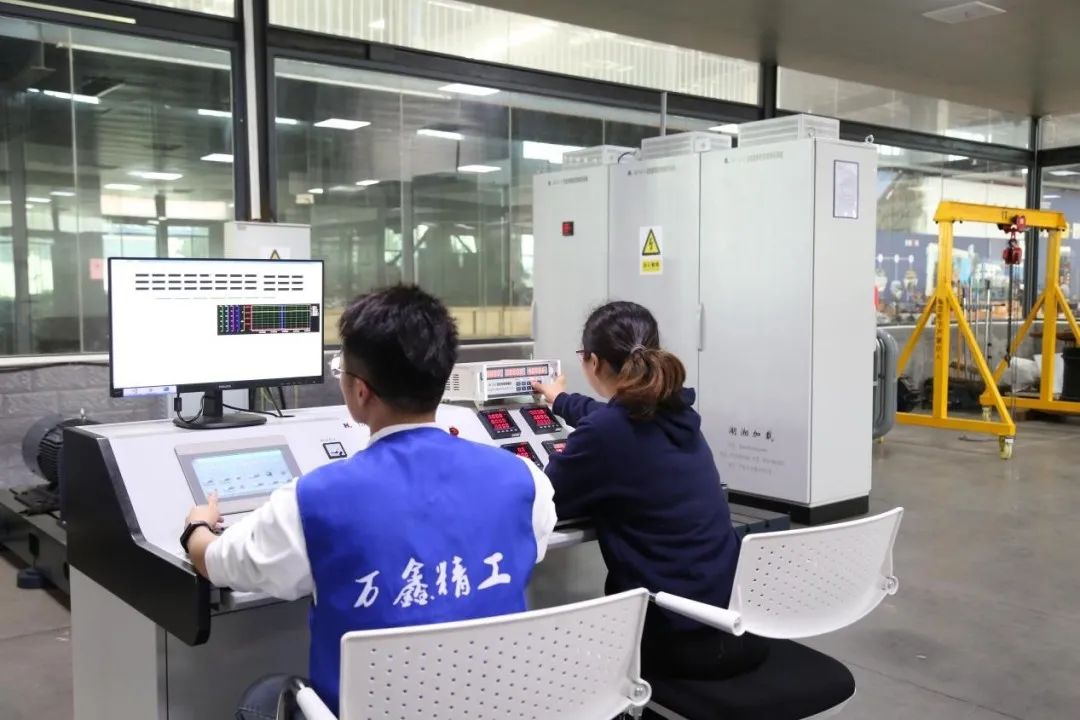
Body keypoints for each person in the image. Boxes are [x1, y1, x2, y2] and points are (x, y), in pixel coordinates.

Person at [181, 285, 557, 719]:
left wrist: (197, 528)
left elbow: (219, 563)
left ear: (360, 392)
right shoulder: (527, 481)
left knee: (262, 698)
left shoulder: (311, 502)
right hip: (494, 709)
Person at [533, 300, 767, 680]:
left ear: (593, 362)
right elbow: (613, 418)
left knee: (560, 653)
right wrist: (560, 400)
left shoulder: (605, 435)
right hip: (732, 619)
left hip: (674, 633)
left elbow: (546, 498)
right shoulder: (677, 412)